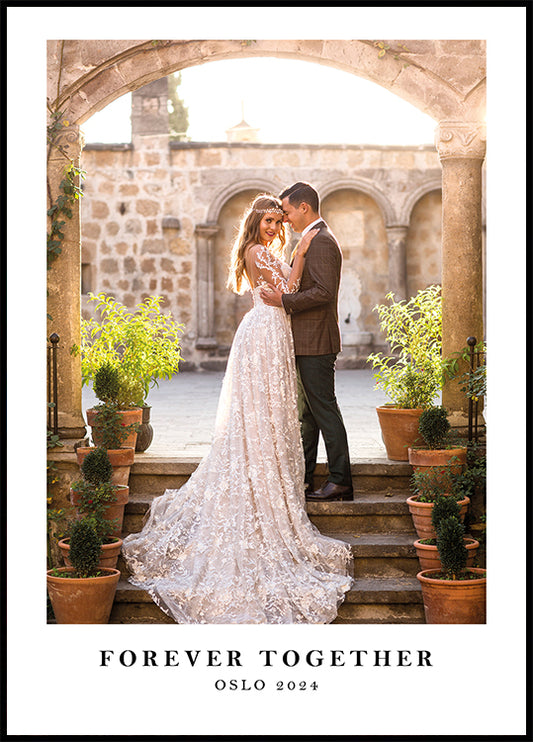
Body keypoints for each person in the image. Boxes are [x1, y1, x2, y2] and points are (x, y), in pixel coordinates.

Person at [122, 194, 353, 624]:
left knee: (276, 410)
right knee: (265, 409)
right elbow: (286, 291)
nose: (272, 226)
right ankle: (267, 469)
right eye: (267, 220)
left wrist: (295, 253)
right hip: (265, 332)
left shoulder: (272, 250)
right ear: (255, 222)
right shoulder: (258, 251)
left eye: (276, 220)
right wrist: (299, 253)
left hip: (275, 331)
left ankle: (287, 469)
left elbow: (288, 288)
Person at [260, 182, 353, 502]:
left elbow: (325, 293)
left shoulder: (322, 241)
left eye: (285, 212)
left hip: (317, 342)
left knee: (324, 411)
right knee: (308, 414)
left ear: (304, 208)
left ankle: (340, 480)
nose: (284, 219)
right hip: (306, 341)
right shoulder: (311, 240)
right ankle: (304, 477)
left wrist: (283, 302)